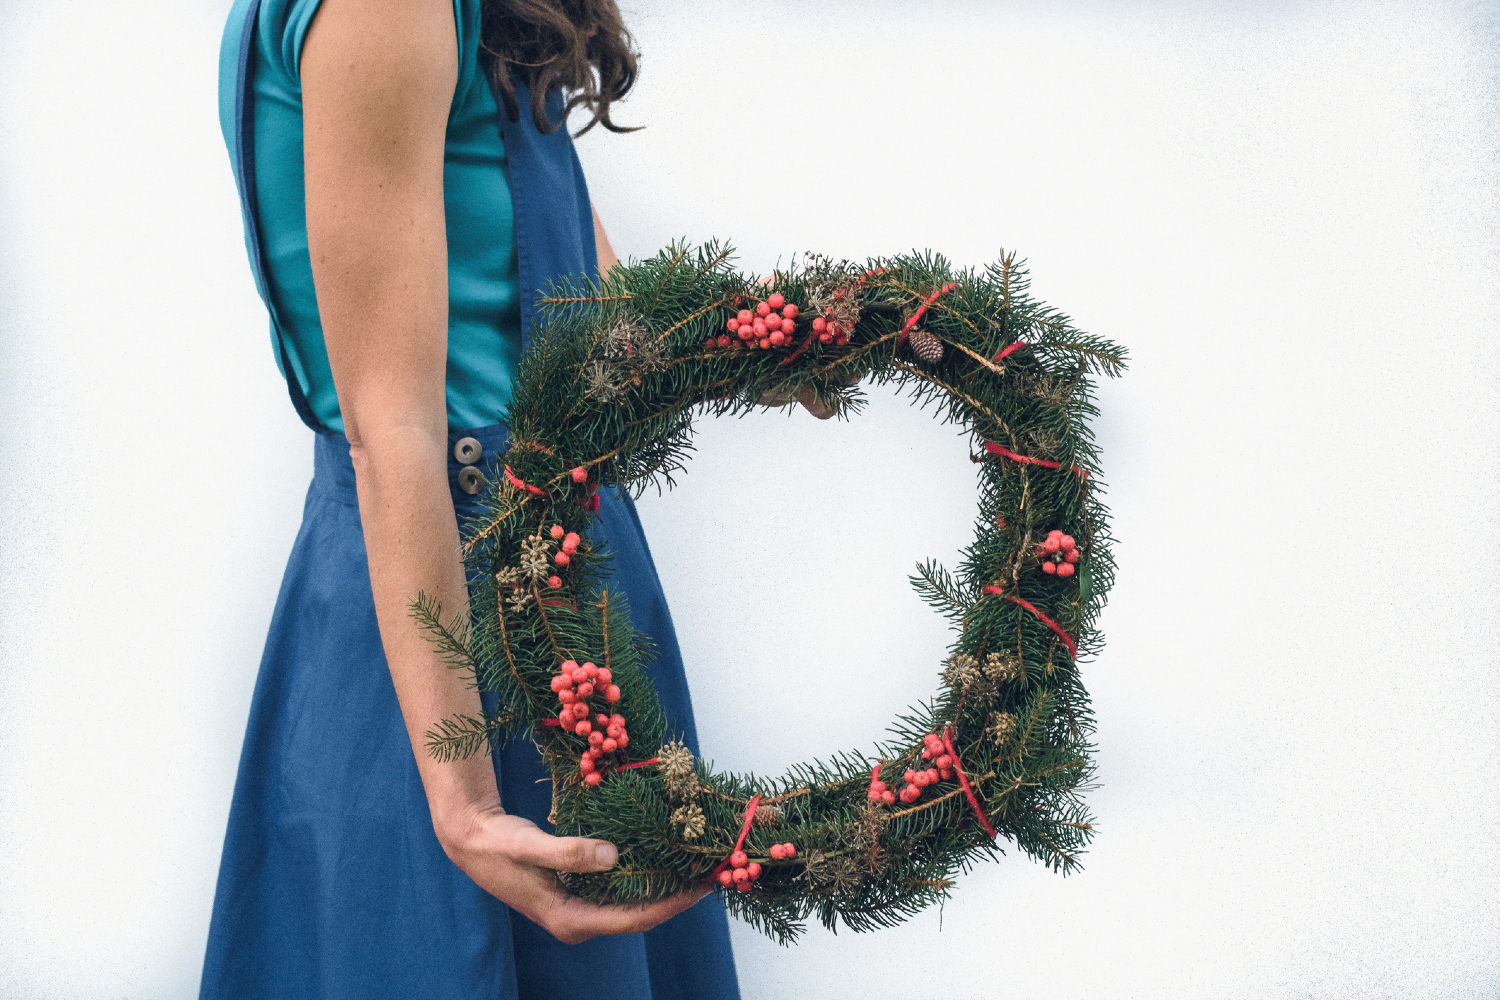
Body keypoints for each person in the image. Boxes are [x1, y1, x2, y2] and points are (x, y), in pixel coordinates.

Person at [201, 0, 826, 995]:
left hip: (561, 568)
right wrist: (460, 797)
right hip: (456, 598)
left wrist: (796, 338)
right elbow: (392, 426)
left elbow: (597, 310)